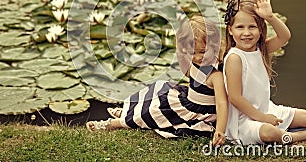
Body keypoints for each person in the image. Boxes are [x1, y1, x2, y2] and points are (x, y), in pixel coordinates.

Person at [86, 15, 228, 146]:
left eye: (202, 52)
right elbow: (189, 75)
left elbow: (222, 103)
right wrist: (181, 51)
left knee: (156, 112)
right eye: (192, 52)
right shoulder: (196, 63)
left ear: (215, 46)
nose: (197, 57)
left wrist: (220, 130)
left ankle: (113, 124)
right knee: (158, 92)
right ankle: (130, 112)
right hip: (187, 100)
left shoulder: (216, 76)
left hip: (197, 112)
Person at [222, 0, 306, 145]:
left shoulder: (260, 49)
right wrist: (263, 118)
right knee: (269, 133)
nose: (246, 33)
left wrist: (270, 17)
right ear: (230, 30)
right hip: (244, 119)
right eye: (240, 27)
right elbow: (235, 98)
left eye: (252, 26)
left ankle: (287, 131)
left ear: (260, 28)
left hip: (266, 109)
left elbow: (285, 37)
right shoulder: (234, 58)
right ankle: (297, 135)